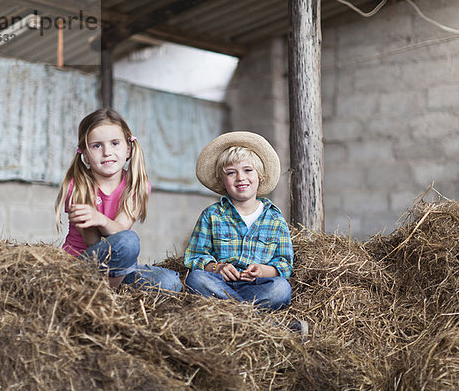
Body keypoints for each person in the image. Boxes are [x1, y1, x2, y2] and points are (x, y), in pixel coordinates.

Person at [54, 108, 182, 292]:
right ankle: (105, 298)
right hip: (80, 265)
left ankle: (106, 289)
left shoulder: (137, 185)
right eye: (97, 145)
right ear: (86, 155)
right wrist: (96, 221)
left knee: (170, 282)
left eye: (115, 143)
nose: (107, 152)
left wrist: (100, 219)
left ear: (128, 149)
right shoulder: (78, 186)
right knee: (129, 241)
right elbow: (92, 241)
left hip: (117, 270)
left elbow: (121, 232)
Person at [183, 131, 294, 310]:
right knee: (195, 279)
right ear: (222, 180)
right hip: (220, 284)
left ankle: (232, 311)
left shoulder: (275, 219)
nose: (241, 178)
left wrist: (261, 270)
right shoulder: (212, 215)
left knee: (281, 289)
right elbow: (194, 257)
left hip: (258, 286)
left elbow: (284, 264)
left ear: (260, 175)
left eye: (248, 170)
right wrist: (217, 268)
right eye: (231, 173)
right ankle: (257, 318)